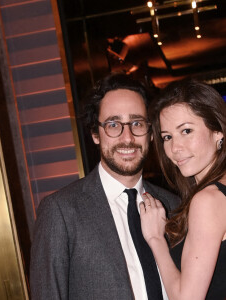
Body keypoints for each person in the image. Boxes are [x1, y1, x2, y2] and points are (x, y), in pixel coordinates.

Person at [29, 72, 180, 300]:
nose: (127, 137)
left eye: (137, 123)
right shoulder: (60, 211)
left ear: (150, 133)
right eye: (113, 124)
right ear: (95, 134)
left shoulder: (174, 205)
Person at [140, 78, 226, 299]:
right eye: (167, 137)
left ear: (218, 131)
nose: (175, 148)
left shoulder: (208, 200)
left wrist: (156, 239)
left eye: (186, 131)